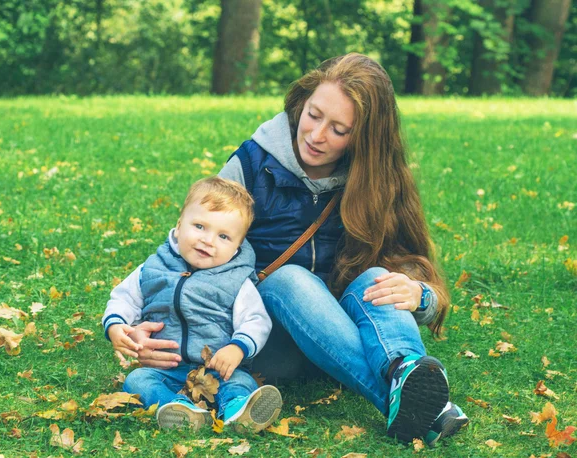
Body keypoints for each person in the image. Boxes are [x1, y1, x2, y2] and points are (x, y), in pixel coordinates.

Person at [125, 53, 468, 445]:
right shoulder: (252, 164)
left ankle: (404, 369)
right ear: (300, 103)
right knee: (289, 279)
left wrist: (418, 293)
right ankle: (428, 410)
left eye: (339, 129)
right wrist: (147, 323)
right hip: (261, 337)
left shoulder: (381, 179)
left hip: (340, 335)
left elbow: (416, 267)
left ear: (365, 139)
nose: (317, 135)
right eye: (313, 115)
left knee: (378, 278)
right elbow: (193, 248)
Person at [102, 176, 282, 433]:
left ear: (236, 247)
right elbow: (124, 297)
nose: (208, 240)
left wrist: (238, 347)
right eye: (199, 226)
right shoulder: (154, 267)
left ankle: (237, 410)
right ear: (178, 225)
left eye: (223, 236)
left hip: (217, 370)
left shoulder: (236, 280)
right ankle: (178, 409)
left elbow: (256, 320)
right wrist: (116, 326)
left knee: (240, 382)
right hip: (165, 367)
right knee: (137, 381)